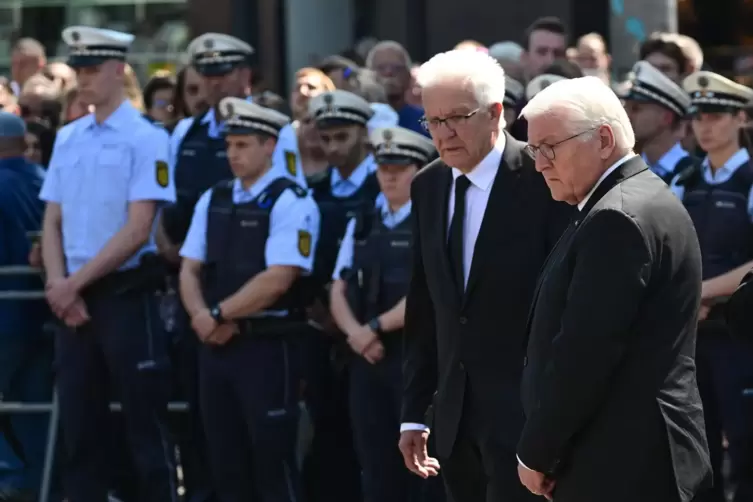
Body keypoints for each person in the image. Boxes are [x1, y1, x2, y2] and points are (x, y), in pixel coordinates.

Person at [516, 76, 710, 502]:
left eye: (549, 147)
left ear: (603, 139)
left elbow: (585, 351)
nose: (539, 162)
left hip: (623, 463)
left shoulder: (616, 217)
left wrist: (537, 452)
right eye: (533, 149)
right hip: (626, 457)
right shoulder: (626, 200)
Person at [399, 49, 570, 502]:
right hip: (454, 426)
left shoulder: (543, 179)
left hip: (527, 422)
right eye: (432, 121)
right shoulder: (428, 186)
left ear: (496, 113)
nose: (443, 133)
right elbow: (425, 306)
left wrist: (556, 423)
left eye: (456, 117)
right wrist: (415, 414)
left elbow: (565, 307)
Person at [38, 26, 177, 501]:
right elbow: (52, 219)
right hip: (72, 301)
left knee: (145, 426)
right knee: (80, 427)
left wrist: (71, 284)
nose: (83, 79)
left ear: (120, 71)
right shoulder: (69, 137)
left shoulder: (147, 138)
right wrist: (60, 284)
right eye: (78, 69)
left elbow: (139, 228)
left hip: (123, 295)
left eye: (93, 69)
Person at [178, 96, 319, 502]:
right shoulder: (215, 197)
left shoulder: (290, 200)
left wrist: (218, 313)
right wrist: (203, 318)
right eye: (229, 145)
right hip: (215, 346)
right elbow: (189, 268)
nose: (232, 154)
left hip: (267, 347)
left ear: (270, 145)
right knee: (225, 462)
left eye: (243, 144)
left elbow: (279, 278)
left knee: (273, 463)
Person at [330, 126, 436, 502]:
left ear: (421, 170)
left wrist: (372, 328)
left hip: (413, 358)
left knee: (422, 471)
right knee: (375, 464)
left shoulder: (432, 221)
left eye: (400, 167)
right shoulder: (361, 221)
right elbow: (338, 287)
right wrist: (356, 334)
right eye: (383, 167)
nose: (389, 175)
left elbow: (428, 294)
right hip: (367, 358)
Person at [670, 71, 753, 502]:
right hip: (692, 339)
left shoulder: (749, 179)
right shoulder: (684, 177)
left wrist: (700, 292)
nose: (705, 125)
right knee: (696, 450)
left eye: (717, 114)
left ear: (742, 117)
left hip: (740, 339)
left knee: (744, 448)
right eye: (698, 115)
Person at [303, 88, 378, 502]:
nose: (332, 148)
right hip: (319, 324)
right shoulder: (311, 189)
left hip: (368, 326)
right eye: (325, 138)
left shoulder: (381, 184)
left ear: (363, 134)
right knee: (326, 427)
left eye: (342, 137)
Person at [0, 112, 47, 502]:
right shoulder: (42, 178)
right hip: (44, 312)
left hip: (6, 313)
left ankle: (13, 473)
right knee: (33, 406)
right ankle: (37, 481)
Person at [623, 60, 695, 184]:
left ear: (666, 118)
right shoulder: (627, 172)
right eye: (627, 108)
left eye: (636, 108)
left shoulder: (695, 176)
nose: (628, 116)